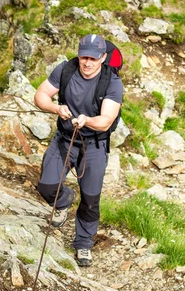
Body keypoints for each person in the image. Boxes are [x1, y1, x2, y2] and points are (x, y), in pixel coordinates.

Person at [34, 34, 123, 267]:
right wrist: (56, 108)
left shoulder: (112, 82)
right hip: (64, 139)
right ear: (79, 54)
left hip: (94, 144)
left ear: (103, 58)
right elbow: (40, 95)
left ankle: (83, 244)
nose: (87, 63)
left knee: (91, 199)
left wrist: (87, 120)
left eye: (93, 58)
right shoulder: (65, 70)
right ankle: (63, 202)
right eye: (84, 57)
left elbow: (106, 120)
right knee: (47, 185)